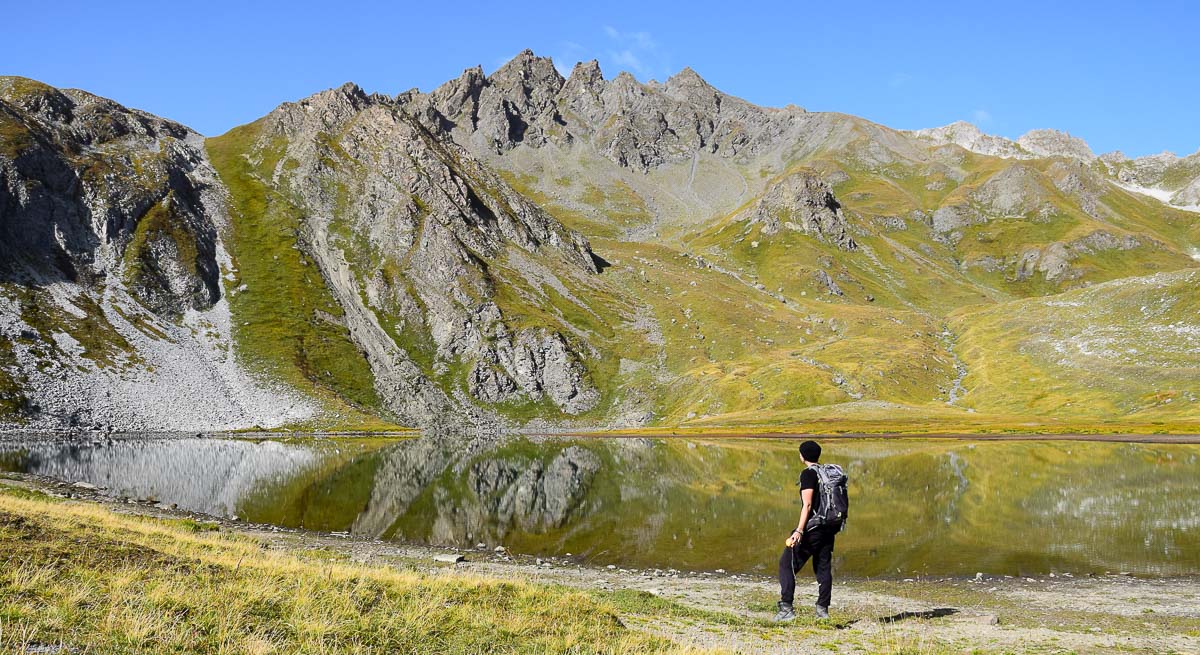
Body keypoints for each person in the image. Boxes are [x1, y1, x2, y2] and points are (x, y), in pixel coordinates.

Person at [775, 440, 839, 621]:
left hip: (813, 528)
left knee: (786, 564)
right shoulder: (827, 473)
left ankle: (786, 608)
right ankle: (822, 612)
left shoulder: (808, 474)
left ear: (802, 456)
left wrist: (799, 531)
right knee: (823, 568)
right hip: (829, 527)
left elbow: (808, 504)